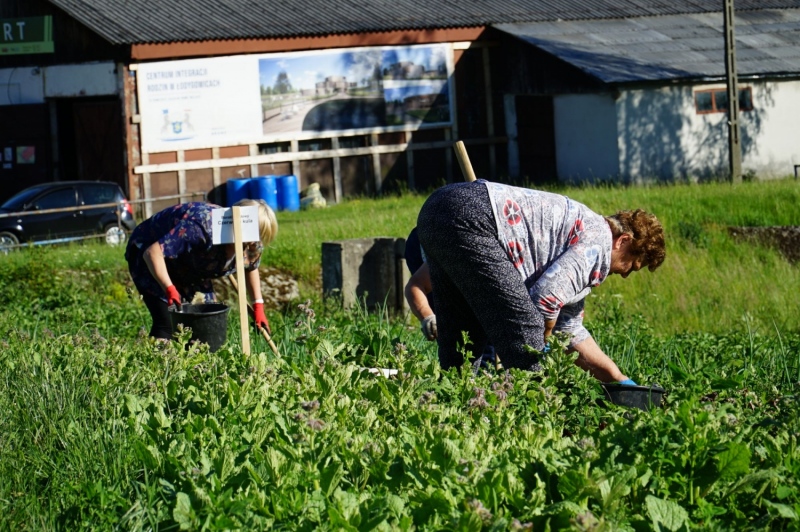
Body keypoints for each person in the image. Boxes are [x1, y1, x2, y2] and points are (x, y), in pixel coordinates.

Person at [415, 179, 665, 383]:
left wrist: (618, 379)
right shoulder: (598, 242)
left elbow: (569, 331)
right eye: (631, 266)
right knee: (530, 351)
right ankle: (535, 426)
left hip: (437, 208)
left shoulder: (581, 238)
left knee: (461, 340)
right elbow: (545, 298)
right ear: (623, 241)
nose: (624, 274)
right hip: (473, 216)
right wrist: (541, 341)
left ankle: (457, 414)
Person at [125, 198, 278, 340]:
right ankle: (156, 364)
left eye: (259, 237)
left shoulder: (252, 242)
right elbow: (153, 253)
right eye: (253, 236)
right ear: (239, 224)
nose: (254, 244)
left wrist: (258, 305)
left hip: (190, 265)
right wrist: (169, 288)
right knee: (168, 322)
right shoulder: (203, 227)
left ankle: (197, 365)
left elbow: (250, 267)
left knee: (207, 320)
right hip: (150, 255)